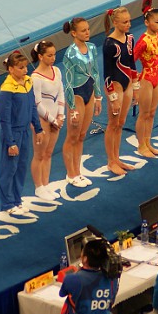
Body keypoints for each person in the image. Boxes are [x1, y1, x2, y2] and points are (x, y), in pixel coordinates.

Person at [0, 51, 43, 216]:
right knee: (9, 169)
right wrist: (10, 142)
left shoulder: (28, 82)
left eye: (25, 67)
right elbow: (5, 120)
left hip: (25, 131)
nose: (25, 70)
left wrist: (38, 128)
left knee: (21, 167)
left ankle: (17, 200)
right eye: (21, 68)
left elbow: (32, 107)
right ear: (11, 69)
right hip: (13, 133)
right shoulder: (7, 90)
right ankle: (6, 203)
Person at [62, 17, 103, 188]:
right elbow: (68, 82)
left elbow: (95, 72)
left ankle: (78, 171)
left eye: (88, 29)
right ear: (74, 33)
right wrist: (72, 108)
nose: (87, 32)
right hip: (77, 95)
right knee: (72, 136)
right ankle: (70, 173)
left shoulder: (92, 47)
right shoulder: (70, 54)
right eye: (83, 30)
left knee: (81, 135)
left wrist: (99, 97)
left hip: (90, 92)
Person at [103, 7, 139, 176]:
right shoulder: (110, 44)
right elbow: (107, 73)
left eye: (129, 21)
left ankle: (117, 158)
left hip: (128, 84)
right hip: (115, 85)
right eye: (125, 22)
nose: (128, 24)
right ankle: (111, 161)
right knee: (113, 124)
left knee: (121, 124)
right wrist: (112, 97)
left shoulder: (130, 38)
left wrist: (136, 88)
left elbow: (132, 64)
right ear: (115, 23)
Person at [30, 41, 65, 201]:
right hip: (42, 119)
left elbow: (61, 93)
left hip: (55, 117)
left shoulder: (56, 70)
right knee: (40, 155)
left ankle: (46, 183)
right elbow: (37, 103)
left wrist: (61, 115)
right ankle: (39, 187)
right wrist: (52, 119)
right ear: (40, 56)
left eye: (54, 54)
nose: (53, 58)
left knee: (49, 153)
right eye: (49, 55)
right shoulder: (35, 77)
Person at [134, 2, 158, 158]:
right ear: (147, 22)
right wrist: (133, 83)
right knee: (144, 113)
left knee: (152, 113)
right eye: (156, 22)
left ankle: (148, 143)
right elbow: (130, 60)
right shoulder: (143, 41)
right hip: (146, 78)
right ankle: (141, 146)